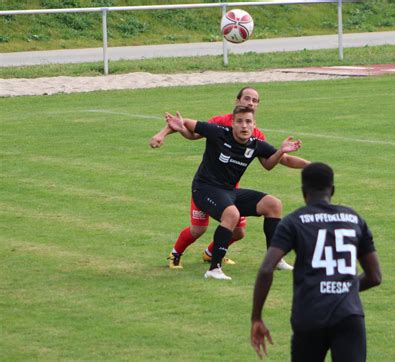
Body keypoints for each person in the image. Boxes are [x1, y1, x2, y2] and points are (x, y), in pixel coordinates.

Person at [150, 87, 309, 270]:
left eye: (254, 100)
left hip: (230, 188)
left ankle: (212, 253)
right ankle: (176, 254)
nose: (250, 103)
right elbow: (192, 133)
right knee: (198, 229)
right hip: (207, 186)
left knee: (240, 231)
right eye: (247, 98)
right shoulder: (220, 125)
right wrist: (162, 134)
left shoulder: (255, 135)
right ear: (237, 101)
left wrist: (308, 164)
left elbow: (273, 162)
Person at [251, 162, 382, 361]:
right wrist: (345, 287)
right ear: (333, 190)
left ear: (304, 191)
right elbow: (375, 277)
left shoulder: (293, 221)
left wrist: (257, 317)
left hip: (309, 315)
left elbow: (266, 269)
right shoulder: (354, 219)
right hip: (349, 316)